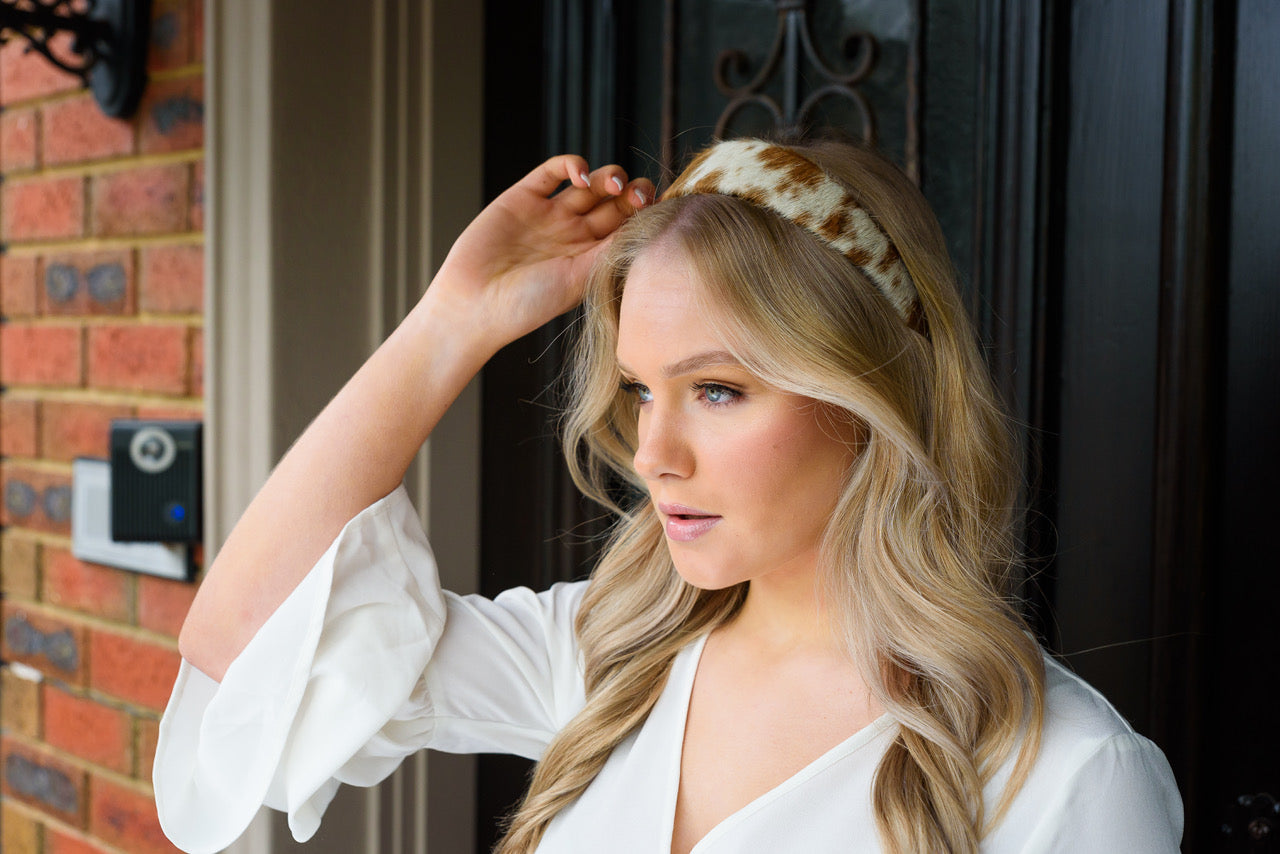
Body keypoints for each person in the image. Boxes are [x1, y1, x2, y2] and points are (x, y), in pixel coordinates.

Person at [155, 137, 1183, 853]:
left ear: (867, 402)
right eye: (642, 389)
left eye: (717, 390)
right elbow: (241, 647)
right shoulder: (606, 656)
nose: (652, 451)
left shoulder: (1060, 774)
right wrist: (449, 324)